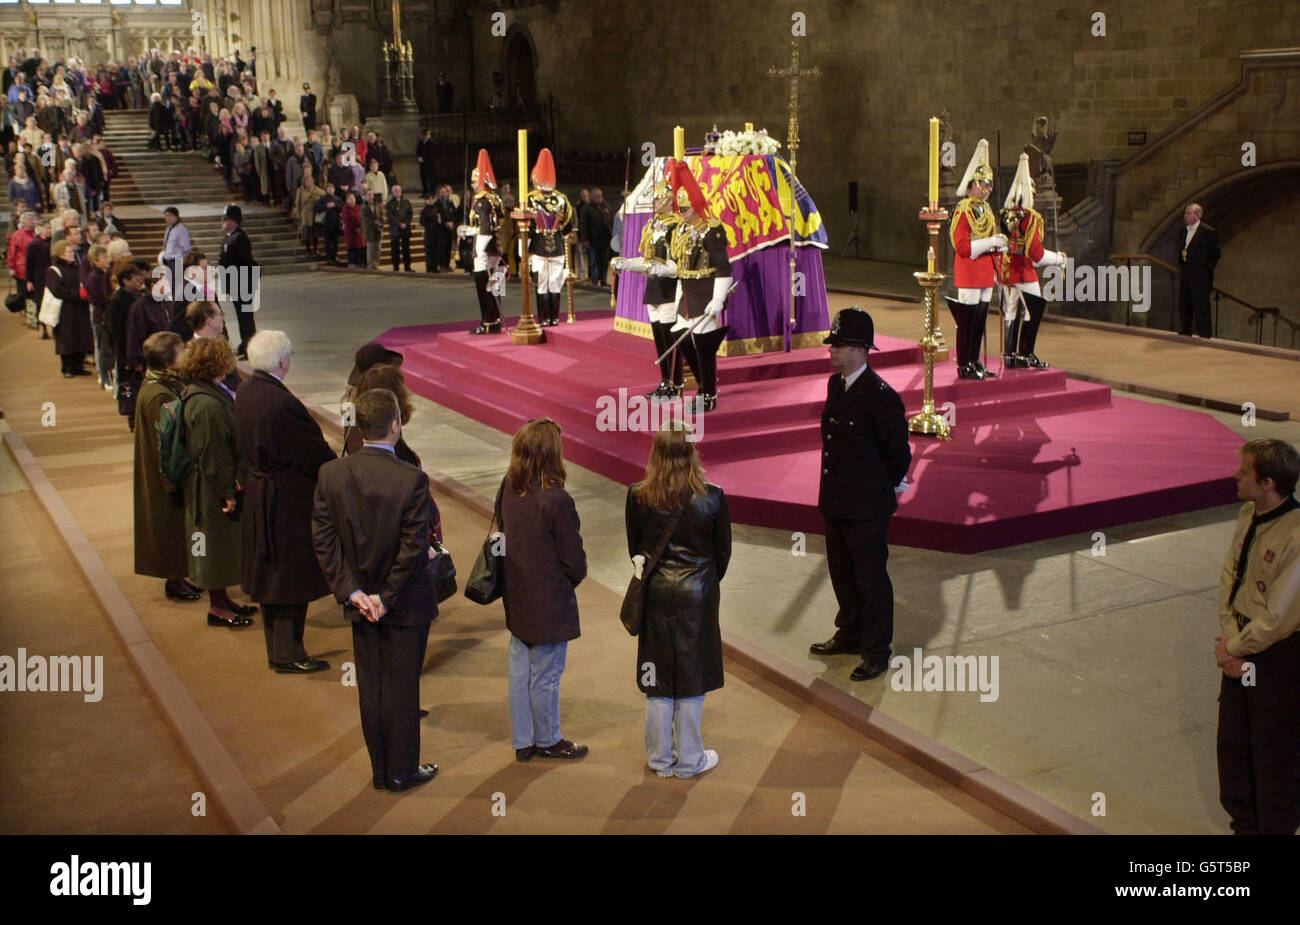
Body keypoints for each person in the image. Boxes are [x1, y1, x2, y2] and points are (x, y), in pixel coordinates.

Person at [312, 387, 439, 792]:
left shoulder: (331, 473)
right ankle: (402, 771)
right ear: (395, 425)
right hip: (402, 605)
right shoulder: (412, 479)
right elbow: (413, 547)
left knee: (372, 685)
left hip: (360, 603)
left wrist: (352, 592)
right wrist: (386, 597)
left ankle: (381, 770)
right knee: (402, 687)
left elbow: (323, 538)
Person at [809, 307, 913, 682]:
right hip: (836, 499)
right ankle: (850, 632)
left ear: (859, 349)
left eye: (838, 345)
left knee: (870, 578)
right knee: (842, 572)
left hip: (867, 506)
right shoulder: (836, 385)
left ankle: (876, 650)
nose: (831, 351)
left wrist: (877, 489)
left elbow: (898, 454)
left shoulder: (880, 395)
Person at [626, 420, 731, 778]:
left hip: (655, 595)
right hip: (697, 597)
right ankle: (690, 760)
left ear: (655, 452)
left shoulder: (638, 495)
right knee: (691, 676)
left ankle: (659, 760)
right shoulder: (713, 496)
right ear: (691, 451)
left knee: (656, 679)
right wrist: (701, 582)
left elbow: (635, 550)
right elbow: (722, 555)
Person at [236, 330, 337, 675]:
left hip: (261, 492)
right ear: (284, 360)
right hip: (286, 501)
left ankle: (279, 649)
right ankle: (288, 653)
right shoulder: (280, 402)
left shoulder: (247, 389)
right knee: (287, 576)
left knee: (271, 576)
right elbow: (312, 452)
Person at [1215, 438, 1300, 835]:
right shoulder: (1247, 514)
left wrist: (1234, 648)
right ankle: (1244, 826)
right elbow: (1229, 578)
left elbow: (1280, 616)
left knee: (1273, 751)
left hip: (1275, 657)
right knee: (1235, 743)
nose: (1236, 475)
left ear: (1268, 482)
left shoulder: (1296, 534)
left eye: (1245, 471)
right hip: (1240, 651)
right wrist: (1230, 642)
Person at [497, 419, 590, 762]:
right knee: (546, 676)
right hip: (549, 601)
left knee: (520, 673)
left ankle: (523, 741)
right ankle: (549, 739)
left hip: (517, 594)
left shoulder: (508, 487)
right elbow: (574, 561)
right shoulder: (557, 500)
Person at [176, 336, 256, 628]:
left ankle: (223, 601)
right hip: (212, 488)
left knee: (223, 547)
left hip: (213, 483)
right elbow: (213, 451)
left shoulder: (205, 392)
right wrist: (226, 491)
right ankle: (217, 609)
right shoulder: (206, 404)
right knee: (216, 548)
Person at [133, 331, 202, 603]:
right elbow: (165, 444)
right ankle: (174, 579)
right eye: (181, 351)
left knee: (176, 530)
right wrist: (173, 480)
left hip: (165, 474)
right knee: (170, 530)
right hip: (166, 478)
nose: (185, 354)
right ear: (168, 361)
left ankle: (179, 576)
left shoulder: (162, 385)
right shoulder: (158, 395)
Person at [662, 160, 731, 412]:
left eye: (686, 208)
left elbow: (724, 269)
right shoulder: (682, 229)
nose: (683, 213)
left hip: (706, 294)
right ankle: (703, 384)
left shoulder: (712, 230)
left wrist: (718, 300)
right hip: (687, 294)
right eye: (680, 208)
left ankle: (708, 394)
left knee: (704, 345)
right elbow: (681, 267)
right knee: (679, 335)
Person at [612, 164, 684, 401]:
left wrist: (657, 268)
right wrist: (626, 263)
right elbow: (646, 260)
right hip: (653, 288)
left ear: (668, 200)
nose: (654, 202)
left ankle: (675, 383)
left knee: (670, 337)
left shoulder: (675, 226)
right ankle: (664, 381)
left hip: (669, 287)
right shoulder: (652, 226)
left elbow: (677, 265)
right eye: (654, 198)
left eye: (659, 198)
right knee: (659, 338)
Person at [997, 153, 1067, 370]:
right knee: (1032, 311)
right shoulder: (1032, 218)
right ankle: (1026, 354)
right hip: (1025, 272)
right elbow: (1035, 254)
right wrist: (1058, 259)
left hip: (1007, 271)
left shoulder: (1005, 215)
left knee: (1011, 311)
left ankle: (1009, 357)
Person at [947, 138, 1006, 380]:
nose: (989, 189)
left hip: (984, 271)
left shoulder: (988, 211)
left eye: (990, 185)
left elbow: (989, 238)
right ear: (973, 184)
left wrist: (999, 246)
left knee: (980, 320)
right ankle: (964, 363)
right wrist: (991, 242)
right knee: (968, 321)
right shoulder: (964, 210)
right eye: (985, 184)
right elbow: (962, 247)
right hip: (970, 270)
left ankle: (974, 361)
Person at [524, 149, 575, 326]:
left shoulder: (529, 199)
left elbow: (527, 227)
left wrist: (523, 251)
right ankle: (554, 318)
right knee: (554, 283)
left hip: (538, 247)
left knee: (542, 283)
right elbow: (568, 228)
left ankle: (544, 318)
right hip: (558, 247)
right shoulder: (563, 199)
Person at [464, 149, 505, 334]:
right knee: (496, 285)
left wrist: (479, 249)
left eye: (474, 182)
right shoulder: (495, 198)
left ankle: (489, 321)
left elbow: (485, 227)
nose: (472, 185)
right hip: (496, 246)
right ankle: (497, 319)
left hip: (485, 247)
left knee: (484, 286)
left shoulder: (481, 200)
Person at [46, 239, 94, 379]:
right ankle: (67, 367)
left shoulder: (76, 267)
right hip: (65, 309)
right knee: (67, 340)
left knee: (81, 337)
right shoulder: (54, 270)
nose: (72, 254)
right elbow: (56, 290)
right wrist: (76, 294)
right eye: (69, 251)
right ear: (61, 254)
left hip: (79, 307)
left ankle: (78, 366)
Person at [218, 203, 258, 358]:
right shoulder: (229, 238)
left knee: (246, 316)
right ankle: (244, 342)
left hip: (242, 283)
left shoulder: (239, 238)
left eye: (226, 219)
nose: (223, 222)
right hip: (234, 283)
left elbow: (246, 261)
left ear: (234, 221)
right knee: (241, 315)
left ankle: (250, 345)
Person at [1178, 202, 1221, 338]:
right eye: (1186, 213)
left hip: (1201, 276)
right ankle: (1186, 329)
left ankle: (1204, 332)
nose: (1186, 216)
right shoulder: (1183, 231)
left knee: (1201, 304)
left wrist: (1205, 269)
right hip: (1186, 273)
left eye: (1189, 213)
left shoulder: (1208, 232)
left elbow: (1215, 254)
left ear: (1198, 215)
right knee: (1185, 302)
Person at [295, 172, 324, 260]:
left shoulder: (316, 189)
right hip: (305, 214)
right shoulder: (300, 191)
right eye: (307, 181)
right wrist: (299, 215)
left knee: (315, 233)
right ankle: (308, 250)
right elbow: (298, 203)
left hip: (314, 214)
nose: (309, 182)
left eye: (310, 181)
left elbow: (324, 195)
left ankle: (315, 249)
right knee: (307, 234)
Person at [386, 184, 413, 272]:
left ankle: (407, 267)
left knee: (406, 249)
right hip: (395, 230)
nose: (397, 192)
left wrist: (405, 223)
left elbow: (410, 213)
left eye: (398, 190)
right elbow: (390, 217)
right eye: (395, 191)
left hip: (405, 229)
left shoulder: (406, 202)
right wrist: (399, 224)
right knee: (395, 250)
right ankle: (396, 267)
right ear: (392, 192)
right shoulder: (389, 204)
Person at [430, 185, 457, 273]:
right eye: (441, 192)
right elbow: (438, 216)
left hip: (449, 229)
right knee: (441, 247)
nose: (443, 194)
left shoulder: (450, 203)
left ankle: (447, 264)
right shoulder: (436, 204)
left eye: (445, 192)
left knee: (448, 247)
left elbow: (454, 214)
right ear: (439, 194)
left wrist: (452, 222)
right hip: (441, 229)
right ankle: (441, 265)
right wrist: (445, 223)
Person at [316, 181, 343, 265]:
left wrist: (335, 205)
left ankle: (335, 256)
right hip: (326, 224)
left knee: (335, 242)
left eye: (332, 189)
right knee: (327, 242)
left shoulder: (337, 199)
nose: (331, 190)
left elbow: (342, 207)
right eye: (329, 189)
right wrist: (326, 206)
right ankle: (328, 257)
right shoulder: (323, 199)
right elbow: (317, 208)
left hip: (335, 224)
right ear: (326, 190)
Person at [361, 189, 384, 270]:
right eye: (369, 195)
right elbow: (366, 219)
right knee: (371, 248)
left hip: (378, 229)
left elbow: (381, 215)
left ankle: (376, 263)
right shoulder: (364, 207)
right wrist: (375, 223)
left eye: (372, 194)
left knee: (378, 248)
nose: (370, 196)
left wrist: (381, 223)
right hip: (369, 230)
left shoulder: (377, 205)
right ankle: (370, 264)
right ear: (366, 196)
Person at [342, 192, 365, 268]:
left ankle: (359, 262)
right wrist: (356, 228)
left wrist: (360, 227)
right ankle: (352, 263)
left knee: (359, 248)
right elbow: (347, 220)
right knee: (352, 248)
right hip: (351, 231)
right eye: (350, 199)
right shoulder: (345, 209)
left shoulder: (358, 208)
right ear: (347, 200)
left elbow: (362, 218)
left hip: (359, 232)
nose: (352, 200)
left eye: (353, 199)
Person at [416, 128, 435, 198]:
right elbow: (418, 151)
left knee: (431, 178)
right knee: (423, 178)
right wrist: (419, 157)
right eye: (425, 135)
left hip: (429, 163)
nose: (426, 136)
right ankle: (425, 192)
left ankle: (432, 192)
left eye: (427, 135)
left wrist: (424, 158)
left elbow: (431, 152)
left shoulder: (431, 143)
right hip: (422, 164)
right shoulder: (421, 142)